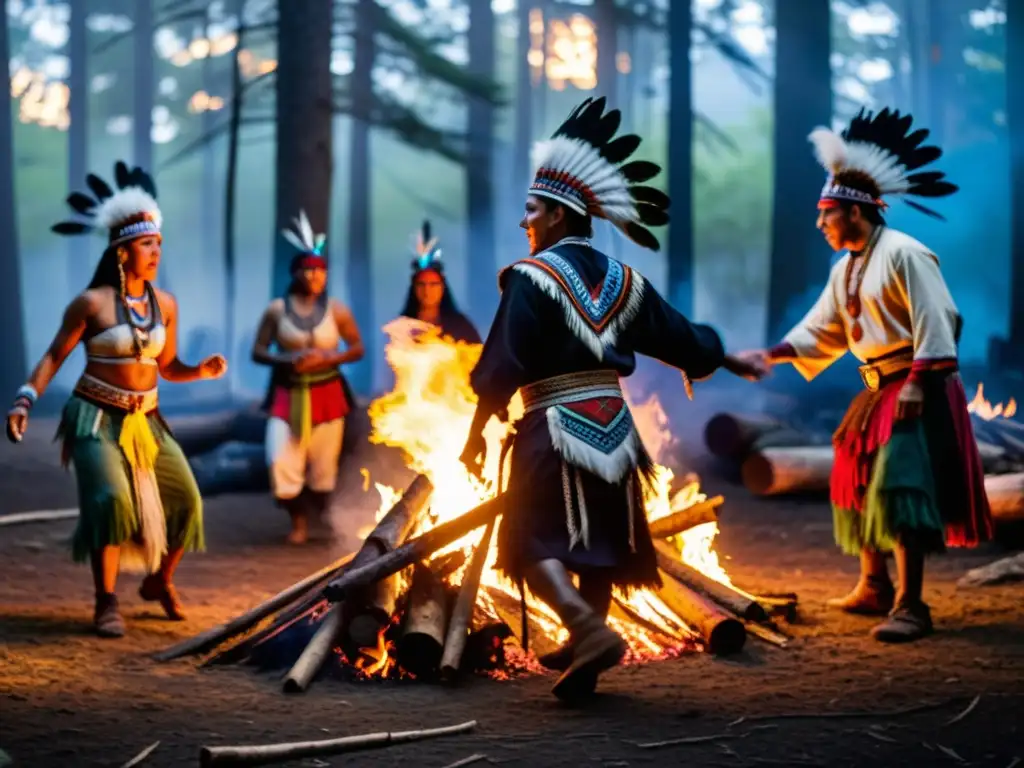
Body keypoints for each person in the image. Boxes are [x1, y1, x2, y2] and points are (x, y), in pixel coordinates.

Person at [458, 97, 767, 700]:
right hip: (616, 431)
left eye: (530, 210)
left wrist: (476, 432)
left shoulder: (531, 276)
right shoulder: (627, 281)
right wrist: (726, 356)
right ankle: (586, 655)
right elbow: (682, 338)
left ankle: (583, 627)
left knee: (527, 540)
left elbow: (502, 362)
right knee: (596, 549)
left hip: (553, 428)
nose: (525, 222)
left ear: (553, 215)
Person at [741, 108, 993, 643]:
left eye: (825, 214)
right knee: (856, 476)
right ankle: (874, 585)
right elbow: (824, 329)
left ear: (854, 211)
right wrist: (773, 354)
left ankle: (912, 604)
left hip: (915, 384)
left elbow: (940, 319)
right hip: (879, 387)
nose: (819, 224)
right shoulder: (848, 265)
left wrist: (921, 385)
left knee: (902, 487)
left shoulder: (906, 253)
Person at [5, 161, 227, 638]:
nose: (156, 253)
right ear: (123, 252)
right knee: (109, 499)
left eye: (159, 244)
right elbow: (52, 357)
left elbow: (167, 367)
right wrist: (25, 400)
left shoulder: (164, 303)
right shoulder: (93, 303)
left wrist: (200, 370)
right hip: (94, 418)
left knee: (187, 499)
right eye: (148, 245)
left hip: (147, 421)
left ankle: (158, 580)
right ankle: (105, 601)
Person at [252, 211, 365, 545]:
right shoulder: (276, 310)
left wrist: (332, 356)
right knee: (281, 461)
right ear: (295, 273)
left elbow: (357, 348)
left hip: (328, 394)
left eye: (319, 271)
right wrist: (286, 358)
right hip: (288, 394)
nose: (314, 276)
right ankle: (297, 523)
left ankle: (325, 523)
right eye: (308, 270)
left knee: (324, 467)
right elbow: (258, 351)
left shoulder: (338, 310)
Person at [398, 220, 481, 344]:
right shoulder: (403, 327)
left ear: (442, 287)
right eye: (421, 285)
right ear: (414, 288)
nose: (427, 291)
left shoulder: (460, 325)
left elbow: (479, 356)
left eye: (433, 284)